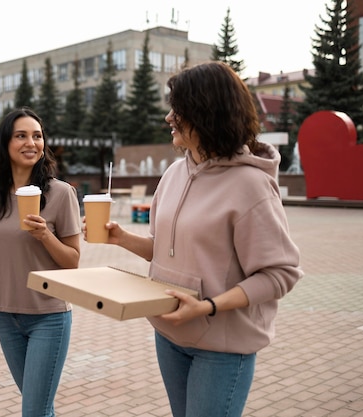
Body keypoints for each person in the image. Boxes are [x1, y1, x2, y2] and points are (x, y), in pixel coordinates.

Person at [84, 62, 303, 417]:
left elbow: (279, 274)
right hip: (169, 335)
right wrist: (121, 238)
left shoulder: (252, 186)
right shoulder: (173, 174)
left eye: (179, 109)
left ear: (206, 113)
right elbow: (169, 251)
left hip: (221, 346)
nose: (170, 117)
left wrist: (208, 306)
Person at [0, 107, 81, 417]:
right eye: (21, 135)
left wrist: (45, 235)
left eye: (37, 136)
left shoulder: (60, 193)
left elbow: (72, 261)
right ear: (5, 144)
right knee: (38, 407)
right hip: (5, 316)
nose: (32, 142)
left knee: (34, 411)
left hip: (48, 316)